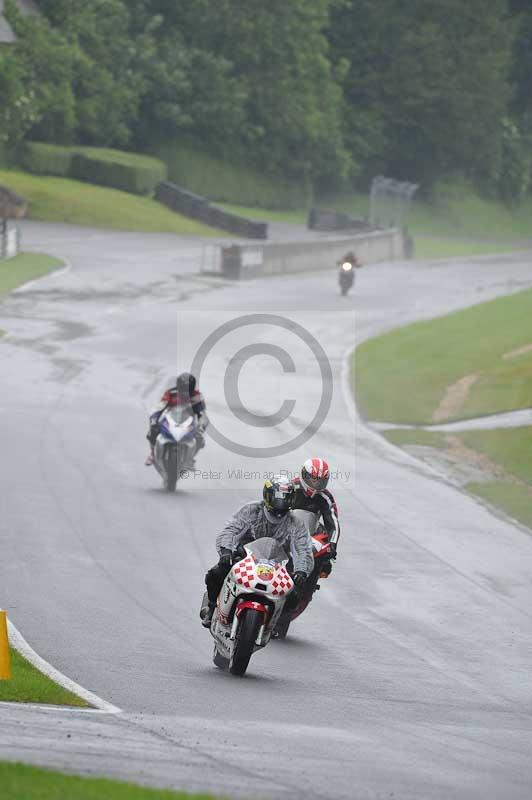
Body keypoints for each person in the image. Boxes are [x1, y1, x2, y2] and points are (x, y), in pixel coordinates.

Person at [201, 476, 314, 628]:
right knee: (216, 573)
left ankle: (276, 622)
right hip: (245, 557)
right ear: (267, 496)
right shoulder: (251, 510)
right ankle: (212, 606)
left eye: (286, 499)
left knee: (294, 596)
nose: (281, 503)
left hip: (278, 565)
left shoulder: (295, 523)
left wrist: (301, 571)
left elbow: (303, 549)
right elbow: (231, 530)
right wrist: (226, 551)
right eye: (278, 498)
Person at [144, 372, 208, 467]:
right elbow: (159, 407)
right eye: (183, 389)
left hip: (189, 422)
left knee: (200, 439)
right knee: (152, 432)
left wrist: (202, 425)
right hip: (171, 419)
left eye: (188, 390)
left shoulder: (197, 396)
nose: (185, 393)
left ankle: (191, 458)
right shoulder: (170, 393)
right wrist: (154, 419)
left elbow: (202, 413)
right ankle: (152, 454)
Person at [291, 458, 340, 576]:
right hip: (286, 534)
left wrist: (332, 545)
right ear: (305, 475)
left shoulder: (325, 497)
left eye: (321, 481)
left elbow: (333, 523)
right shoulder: (290, 487)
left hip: (310, 538)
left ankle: (307, 591)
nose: (317, 484)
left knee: (325, 564)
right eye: (314, 479)